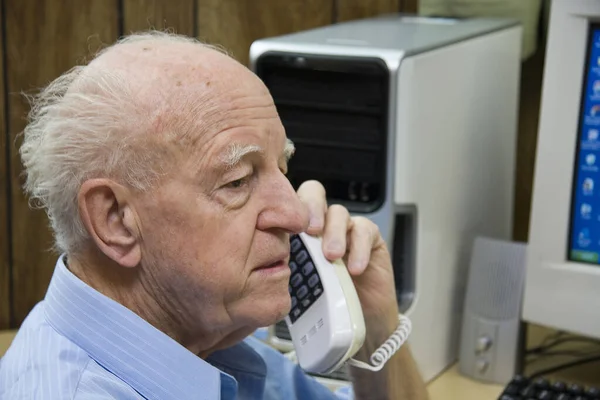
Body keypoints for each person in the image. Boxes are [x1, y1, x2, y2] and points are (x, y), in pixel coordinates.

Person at [0, 31, 428, 400]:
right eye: (238, 180)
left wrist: (375, 326)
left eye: (283, 167)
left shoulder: (207, 332)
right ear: (116, 221)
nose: (296, 214)